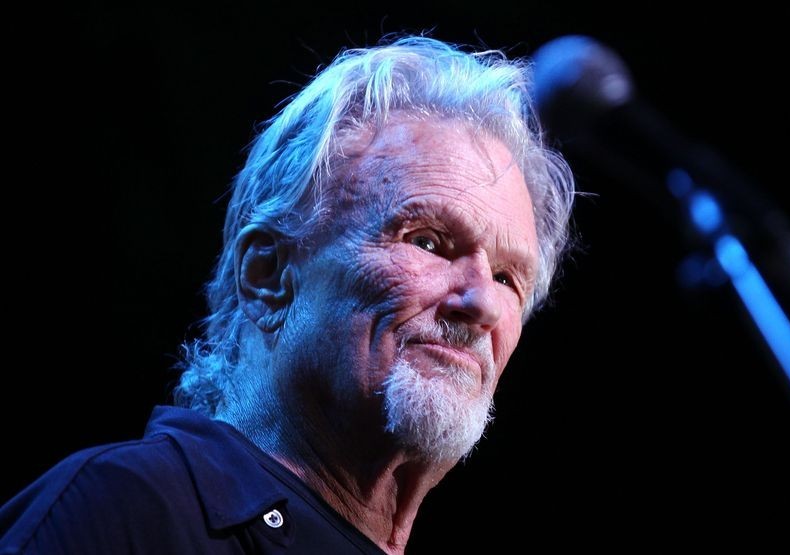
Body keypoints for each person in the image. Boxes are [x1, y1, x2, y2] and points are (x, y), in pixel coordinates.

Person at [0, 36, 575, 554]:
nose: (481, 304)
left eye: (507, 278)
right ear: (268, 275)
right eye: (426, 241)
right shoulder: (125, 511)